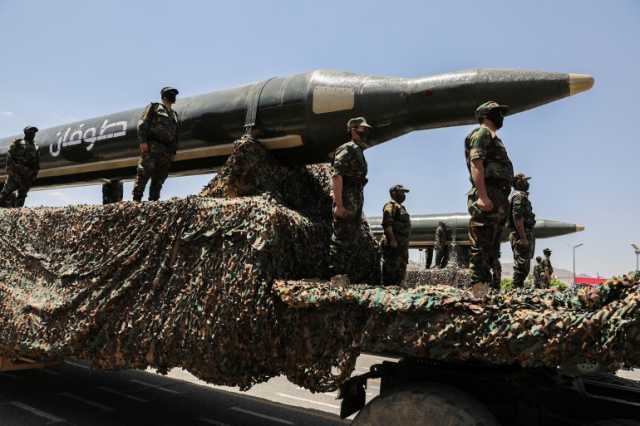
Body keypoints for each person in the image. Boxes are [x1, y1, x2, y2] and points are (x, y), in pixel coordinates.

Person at [465, 101, 514, 288]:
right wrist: (483, 196)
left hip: (497, 197)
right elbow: (476, 163)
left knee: (492, 251)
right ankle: (478, 294)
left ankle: (490, 294)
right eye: (497, 112)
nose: (501, 116)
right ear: (486, 115)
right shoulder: (482, 133)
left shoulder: (494, 138)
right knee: (481, 250)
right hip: (488, 195)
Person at [329, 117, 372, 283]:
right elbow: (337, 176)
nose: (366, 132)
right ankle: (337, 276)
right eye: (363, 129)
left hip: (355, 198)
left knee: (352, 238)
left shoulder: (358, 151)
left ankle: (346, 276)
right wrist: (339, 205)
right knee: (341, 237)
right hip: (346, 198)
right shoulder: (347, 149)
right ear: (353, 130)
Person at [132, 86, 180, 202]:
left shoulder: (174, 114)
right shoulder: (154, 107)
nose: (173, 97)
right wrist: (143, 142)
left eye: (174, 95)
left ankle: (153, 201)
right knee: (144, 173)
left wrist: (173, 152)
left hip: (166, 151)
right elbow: (142, 124)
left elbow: (175, 135)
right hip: (153, 147)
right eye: (170, 94)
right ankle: (136, 200)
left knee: (159, 178)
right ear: (164, 96)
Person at [0, 126, 40, 207]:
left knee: (22, 194)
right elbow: (10, 157)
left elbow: (36, 163)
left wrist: (34, 174)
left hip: (27, 175)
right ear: (26, 133)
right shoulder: (18, 143)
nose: (33, 134)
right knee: (6, 193)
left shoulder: (36, 147)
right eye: (31, 132)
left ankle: (17, 211)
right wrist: (11, 170)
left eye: (34, 133)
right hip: (16, 173)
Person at [509, 173, 536, 288]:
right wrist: (523, 237)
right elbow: (517, 217)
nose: (527, 183)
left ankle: (518, 289)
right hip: (521, 235)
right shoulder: (518, 196)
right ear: (519, 183)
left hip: (524, 233)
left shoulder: (520, 196)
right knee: (521, 266)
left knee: (524, 267)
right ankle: (515, 291)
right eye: (525, 181)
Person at [381, 184, 411, 285]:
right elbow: (387, 224)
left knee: (400, 276)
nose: (403, 195)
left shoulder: (402, 207)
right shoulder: (390, 205)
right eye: (401, 192)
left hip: (401, 248)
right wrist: (392, 240)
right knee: (391, 276)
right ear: (394, 193)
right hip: (394, 248)